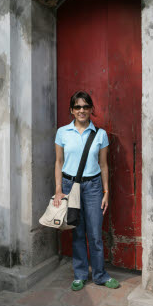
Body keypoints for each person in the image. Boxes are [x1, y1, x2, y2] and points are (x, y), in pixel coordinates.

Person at [54, 90, 119, 291]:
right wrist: (58, 189)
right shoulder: (63, 132)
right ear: (72, 110)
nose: (81, 110)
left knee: (95, 234)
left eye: (85, 106)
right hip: (69, 186)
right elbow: (58, 162)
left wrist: (106, 192)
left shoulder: (100, 134)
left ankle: (100, 275)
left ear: (91, 109)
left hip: (93, 187)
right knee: (78, 233)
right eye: (77, 107)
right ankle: (80, 274)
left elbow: (104, 165)